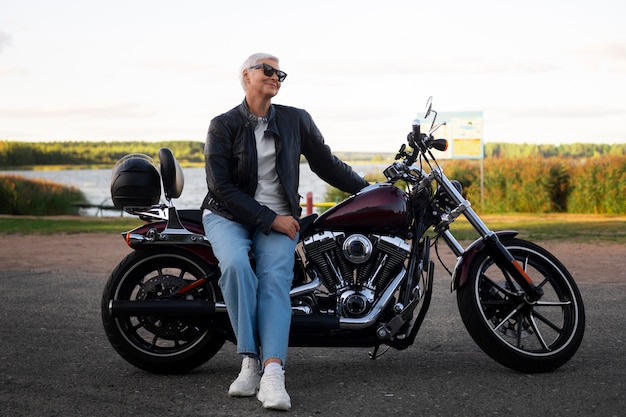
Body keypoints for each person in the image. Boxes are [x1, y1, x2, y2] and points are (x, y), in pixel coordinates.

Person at [201, 52, 368, 411]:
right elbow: (221, 187)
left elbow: (327, 164)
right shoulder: (223, 125)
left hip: (279, 218)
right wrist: (268, 217)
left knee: (276, 278)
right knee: (234, 266)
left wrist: (367, 189)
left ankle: (273, 372)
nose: (277, 76)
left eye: (281, 72)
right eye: (269, 69)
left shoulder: (296, 120)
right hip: (228, 215)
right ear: (246, 75)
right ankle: (250, 361)